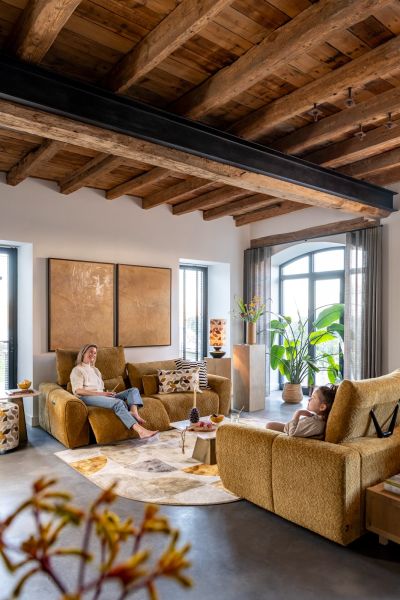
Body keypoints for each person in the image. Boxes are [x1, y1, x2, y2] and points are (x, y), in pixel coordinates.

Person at [70, 344, 159, 439]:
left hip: (100, 396)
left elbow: (99, 388)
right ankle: (141, 431)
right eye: (90, 352)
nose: (93, 354)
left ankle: (134, 413)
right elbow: (78, 390)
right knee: (118, 403)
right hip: (86, 398)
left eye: (95, 353)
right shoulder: (77, 370)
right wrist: (102, 394)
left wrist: (107, 393)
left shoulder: (95, 370)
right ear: (83, 353)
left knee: (133, 390)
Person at [265, 384, 338, 439]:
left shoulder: (317, 425)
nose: (309, 399)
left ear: (322, 407)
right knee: (269, 425)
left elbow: (292, 434)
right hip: (288, 428)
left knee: (269, 426)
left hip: (288, 432)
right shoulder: (316, 418)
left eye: (313, 397)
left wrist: (298, 413)